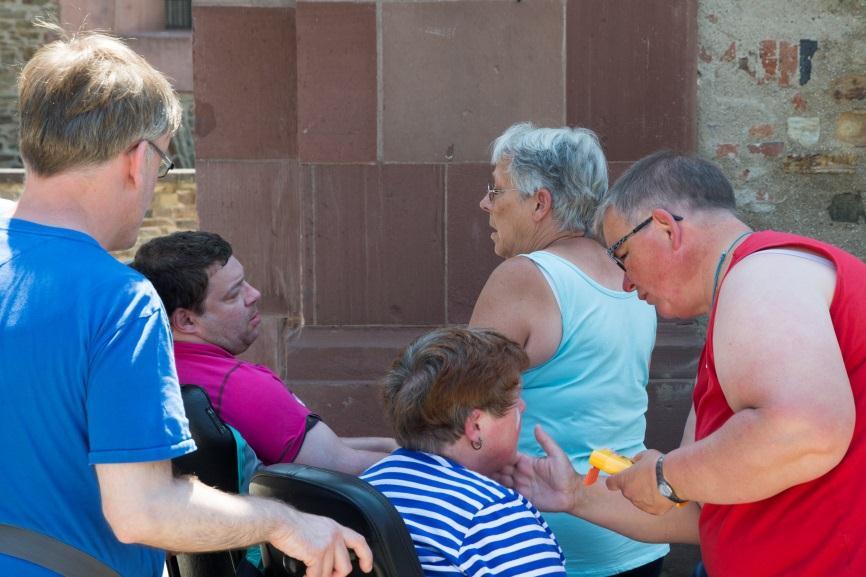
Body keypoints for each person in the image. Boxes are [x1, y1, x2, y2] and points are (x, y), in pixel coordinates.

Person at [0, 27, 371, 577]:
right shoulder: (120, 301)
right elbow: (143, 510)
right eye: (164, 161)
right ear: (136, 159)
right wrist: (283, 521)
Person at [504, 151, 866, 577]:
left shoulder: (763, 273)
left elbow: (805, 431)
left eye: (621, 255)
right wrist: (576, 496)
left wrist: (665, 474)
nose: (625, 280)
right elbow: (701, 509)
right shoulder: (742, 299)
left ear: (665, 228)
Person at [469, 122, 668, 576]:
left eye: (497, 190)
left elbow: (461, 413)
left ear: (540, 203)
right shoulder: (630, 273)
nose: (485, 204)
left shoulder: (525, 276)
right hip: (638, 530)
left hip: (545, 543)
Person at [132, 230, 397, 474]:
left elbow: (307, 445)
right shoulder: (243, 386)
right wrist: (432, 463)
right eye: (234, 294)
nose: (254, 294)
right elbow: (341, 464)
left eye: (245, 282)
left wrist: (392, 445)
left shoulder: (144, 366)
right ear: (187, 321)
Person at [361, 327, 567, 577]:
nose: (522, 407)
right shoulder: (490, 514)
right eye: (515, 400)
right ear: (475, 427)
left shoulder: (367, 485)